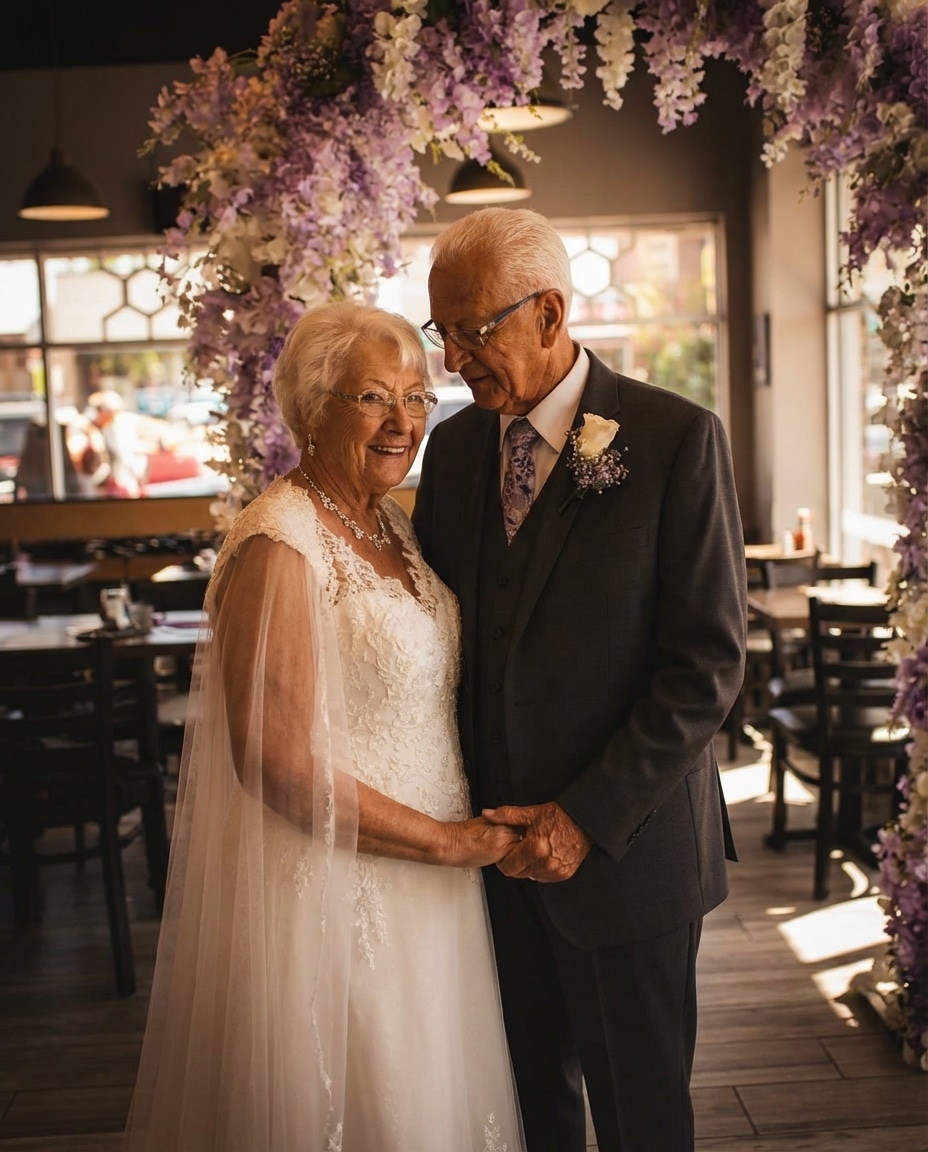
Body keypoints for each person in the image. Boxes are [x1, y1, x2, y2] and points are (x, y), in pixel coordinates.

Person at [123, 301, 525, 1152]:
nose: (403, 422)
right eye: (375, 397)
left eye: (417, 398)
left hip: (434, 886)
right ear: (311, 410)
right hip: (343, 888)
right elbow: (274, 760)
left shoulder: (392, 525)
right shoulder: (282, 542)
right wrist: (447, 842)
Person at [412, 207, 747, 1152]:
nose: (451, 360)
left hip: (626, 858)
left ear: (550, 314)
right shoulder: (456, 448)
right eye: (442, 332)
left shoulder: (676, 437)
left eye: (471, 331)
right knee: (527, 1114)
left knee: (643, 1122)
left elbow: (707, 665)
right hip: (489, 862)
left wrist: (582, 819)